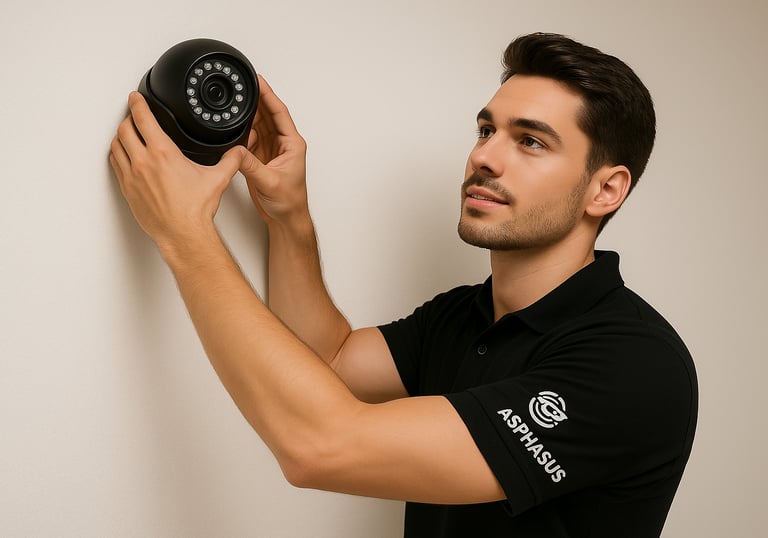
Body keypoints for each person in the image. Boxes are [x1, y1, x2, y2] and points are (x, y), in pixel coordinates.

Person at [110, 32, 698, 537]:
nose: (486, 157)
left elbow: (320, 446)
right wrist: (287, 216)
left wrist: (186, 235)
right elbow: (327, 362)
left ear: (606, 190)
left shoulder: (633, 364)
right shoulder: (464, 316)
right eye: (486, 130)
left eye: (530, 141)